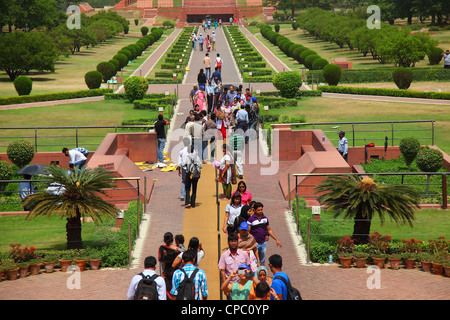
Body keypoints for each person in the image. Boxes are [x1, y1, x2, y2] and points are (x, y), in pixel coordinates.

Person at [181, 141, 202, 209]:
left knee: (187, 188)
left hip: (189, 173)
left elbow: (183, 164)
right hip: (196, 174)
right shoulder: (197, 157)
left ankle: (187, 202)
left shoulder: (187, 156)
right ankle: (193, 204)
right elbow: (201, 166)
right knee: (194, 189)